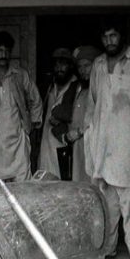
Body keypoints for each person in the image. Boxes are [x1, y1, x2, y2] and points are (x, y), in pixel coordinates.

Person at [85, 20, 130, 259]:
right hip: (103, 143)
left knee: (129, 202)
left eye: (114, 35)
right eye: (105, 36)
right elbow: (92, 104)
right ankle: (108, 248)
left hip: (129, 142)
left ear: (122, 36)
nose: (110, 40)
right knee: (106, 200)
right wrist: (90, 136)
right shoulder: (98, 65)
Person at [0, 30, 43, 184]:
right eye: (0, 51)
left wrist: (30, 127)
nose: (3, 55)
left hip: (17, 142)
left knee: (23, 187)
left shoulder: (19, 74)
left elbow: (36, 99)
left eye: (6, 51)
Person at [37, 47, 77, 179]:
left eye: (64, 64)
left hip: (65, 150)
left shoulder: (76, 86)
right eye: (57, 64)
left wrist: (62, 116)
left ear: (70, 66)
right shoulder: (48, 86)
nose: (60, 68)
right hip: (45, 150)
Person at [65, 45, 100, 183]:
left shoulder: (101, 88)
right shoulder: (79, 88)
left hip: (94, 146)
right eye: (80, 66)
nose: (83, 70)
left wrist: (79, 132)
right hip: (79, 147)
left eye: (87, 65)